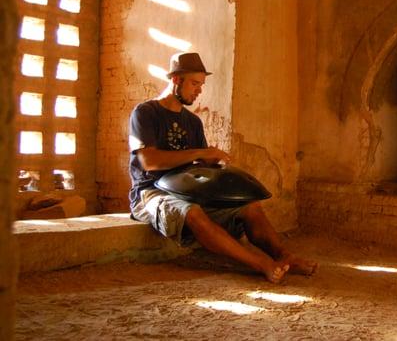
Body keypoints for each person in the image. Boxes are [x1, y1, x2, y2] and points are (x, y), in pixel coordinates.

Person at [128, 52, 317, 283]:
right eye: (195, 84)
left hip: (187, 189)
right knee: (193, 212)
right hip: (151, 192)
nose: (199, 91)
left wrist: (212, 162)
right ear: (176, 80)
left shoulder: (192, 122)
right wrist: (200, 153)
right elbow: (150, 161)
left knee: (250, 207)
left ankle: (285, 256)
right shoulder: (145, 113)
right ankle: (261, 264)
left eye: (202, 85)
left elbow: (196, 165)